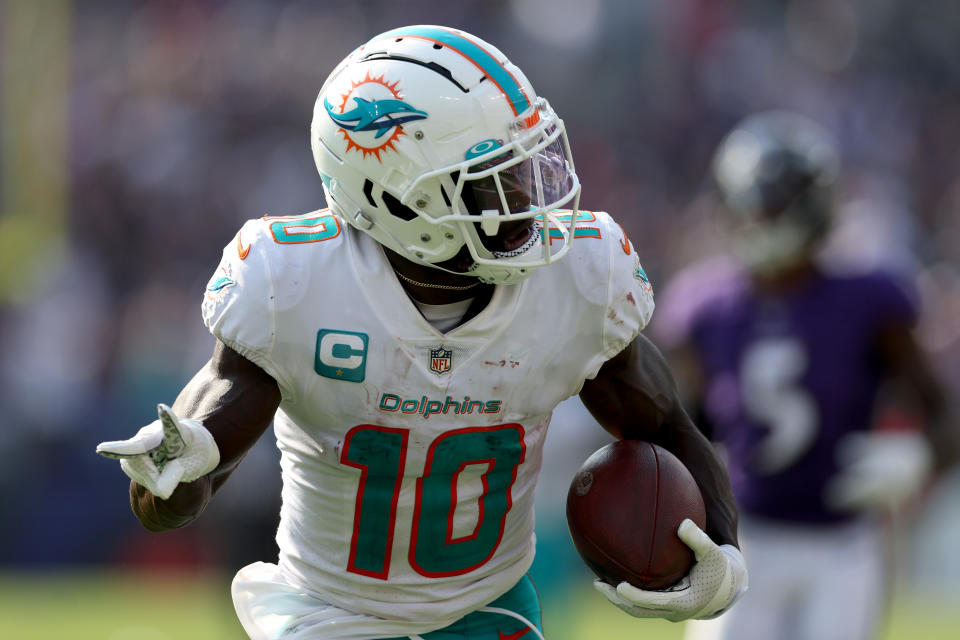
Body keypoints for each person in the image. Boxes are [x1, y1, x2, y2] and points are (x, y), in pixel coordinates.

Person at [97, 25, 747, 640]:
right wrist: (170, 472)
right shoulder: (293, 281)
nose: (530, 200)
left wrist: (724, 553)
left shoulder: (577, 278)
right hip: (330, 612)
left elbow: (669, 430)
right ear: (397, 200)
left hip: (488, 606)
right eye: (495, 181)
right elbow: (185, 478)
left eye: (526, 168)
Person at [650, 111, 957, 640]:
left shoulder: (870, 300)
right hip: (741, 539)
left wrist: (920, 459)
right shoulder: (705, 308)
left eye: (775, 201)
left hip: (841, 542)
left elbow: (945, 409)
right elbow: (680, 429)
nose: (762, 216)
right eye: (754, 202)